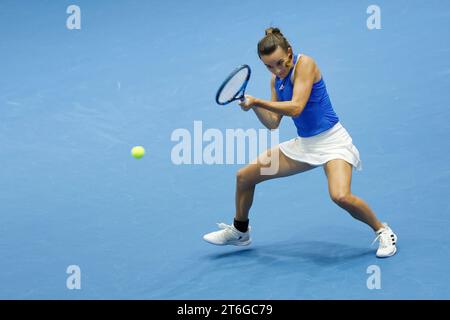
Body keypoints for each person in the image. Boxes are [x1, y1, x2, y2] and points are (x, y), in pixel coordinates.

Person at [203, 27, 397, 258]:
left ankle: (383, 230)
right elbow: (274, 123)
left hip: (332, 142)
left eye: (279, 63)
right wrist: (254, 105)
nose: (277, 69)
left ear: (290, 52)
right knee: (244, 177)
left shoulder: (306, 64)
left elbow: (296, 107)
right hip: (305, 145)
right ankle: (240, 231)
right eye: (269, 66)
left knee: (340, 196)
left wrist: (259, 101)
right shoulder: (276, 81)